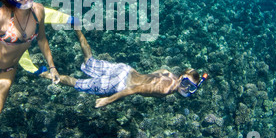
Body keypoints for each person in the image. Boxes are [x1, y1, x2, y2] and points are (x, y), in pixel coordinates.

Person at [42, 30, 207, 108]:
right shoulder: (165, 89)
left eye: (191, 87)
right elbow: (134, 89)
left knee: (89, 60)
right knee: (78, 84)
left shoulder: (168, 73)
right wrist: (108, 100)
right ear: (180, 78)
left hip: (126, 70)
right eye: (185, 83)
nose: (185, 88)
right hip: (120, 83)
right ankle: (45, 74)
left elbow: (158, 71)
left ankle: (77, 28)